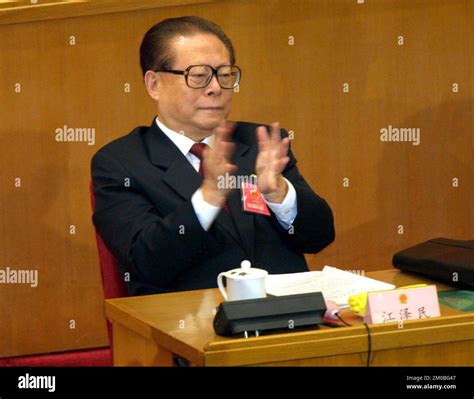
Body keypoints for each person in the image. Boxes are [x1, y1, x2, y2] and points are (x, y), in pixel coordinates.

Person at [91, 16, 335, 296]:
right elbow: (147, 261)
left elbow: (319, 237)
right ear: (154, 84)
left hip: (286, 321)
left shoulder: (260, 142)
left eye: (225, 74)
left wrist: (280, 194)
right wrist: (206, 200)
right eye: (198, 75)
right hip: (187, 324)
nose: (216, 87)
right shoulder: (120, 163)